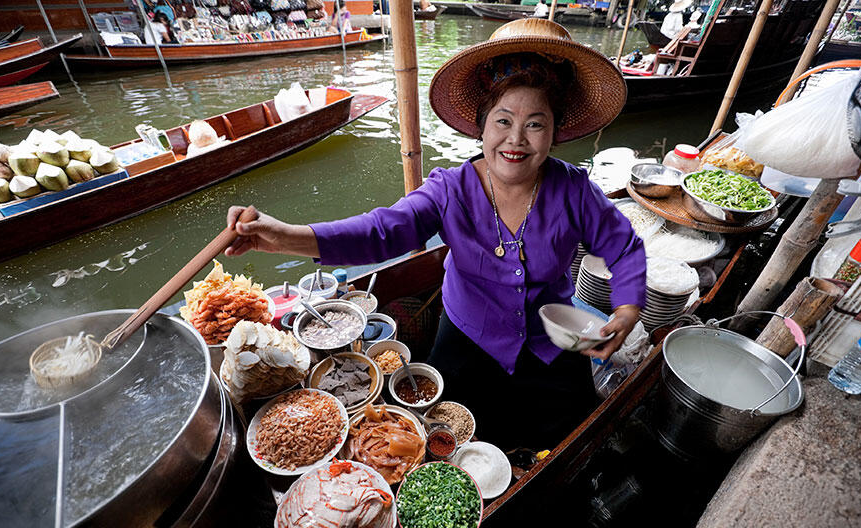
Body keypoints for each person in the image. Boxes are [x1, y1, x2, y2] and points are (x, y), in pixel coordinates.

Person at [225, 19, 646, 450]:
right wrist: (282, 236)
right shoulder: (450, 189)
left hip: (550, 341)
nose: (516, 139)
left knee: (568, 433)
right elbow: (380, 232)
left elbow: (625, 248)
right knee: (451, 440)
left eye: (536, 124)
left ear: (555, 131)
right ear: (481, 127)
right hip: (468, 338)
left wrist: (627, 312)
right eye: (503, 121)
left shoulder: (573, 189)